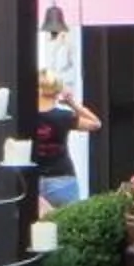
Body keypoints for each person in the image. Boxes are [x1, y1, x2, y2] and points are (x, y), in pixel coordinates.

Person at [30, 72, 100, 205]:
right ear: (57, 92)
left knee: (34, 225)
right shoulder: (64, 116)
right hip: (62, 177)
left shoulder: (26, 118)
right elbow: (96, 123)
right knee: (69, 223)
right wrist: (71, 103)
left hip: (33, 178)